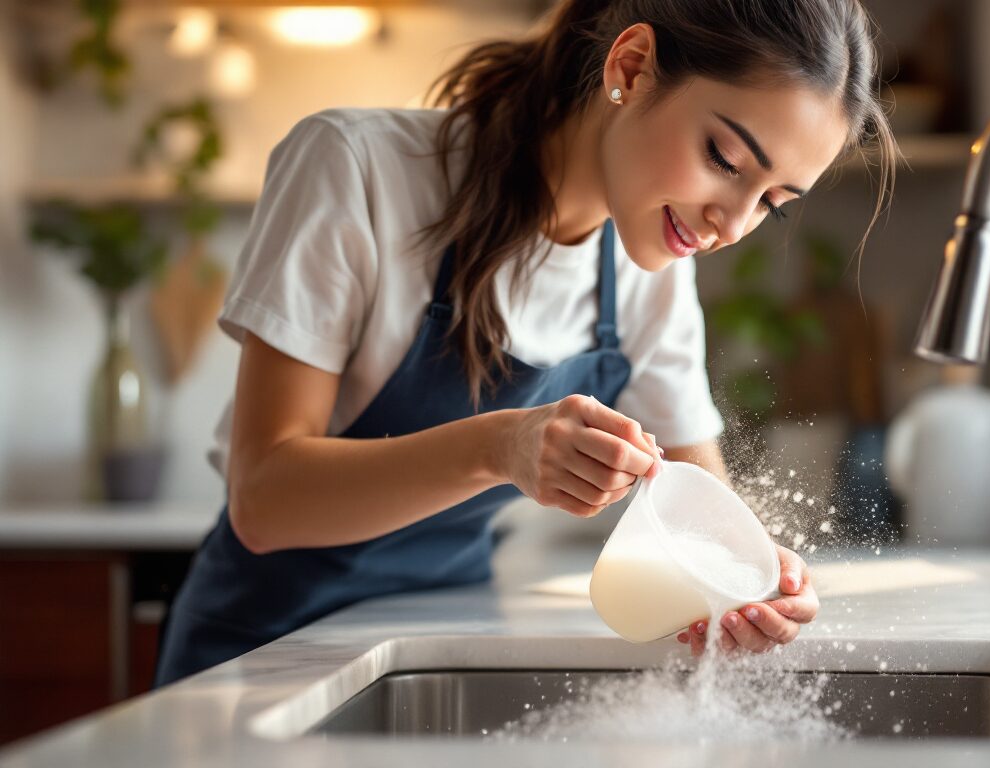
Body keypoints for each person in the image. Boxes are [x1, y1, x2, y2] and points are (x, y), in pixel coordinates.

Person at [155, 0, 897, 685]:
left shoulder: (646, 268)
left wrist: (746, 587)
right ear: (630, 68)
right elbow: (263, 500)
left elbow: (702, 506)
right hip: (257, 655)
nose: (730, 226)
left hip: (433, 646)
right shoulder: (355, 168)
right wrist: (500, 448)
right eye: (726, 160)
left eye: (772, 203)